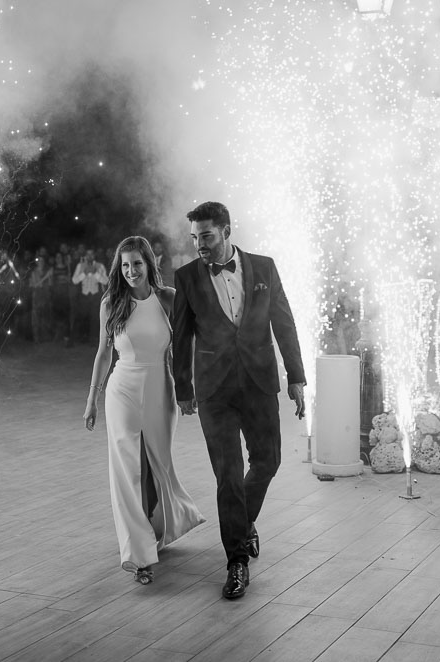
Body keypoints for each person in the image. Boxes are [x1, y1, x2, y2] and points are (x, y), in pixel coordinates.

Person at [172, 201, 306, 600]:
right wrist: (184, 390)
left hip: (260, 382)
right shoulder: (187, 277)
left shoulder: (264, 267)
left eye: (207, 236)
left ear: (227, 231)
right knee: (228, 476)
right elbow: (181, 338)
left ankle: (241, 522)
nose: (200, 245)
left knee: (268, 460)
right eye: (195, 238)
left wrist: (296, 377)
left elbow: (283, 321)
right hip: (214, 391)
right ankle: (236, 562)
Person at [84, 236, 205, 584]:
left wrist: (188, 388)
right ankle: (137, 554)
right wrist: (92, 399)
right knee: (127, 470)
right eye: (124, 265)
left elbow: (186, 349)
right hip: (121, 388)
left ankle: (160, 526)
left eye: (137, 264)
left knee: (157, 464)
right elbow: (103, 354)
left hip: (160, 387)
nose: (131, 271)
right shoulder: (111, 303)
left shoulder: (168, 299)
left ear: (149, 264)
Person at [71, 248, 109, 341]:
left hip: (95, 295)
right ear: (85, 256)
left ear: (94, 255)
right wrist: (84, 273)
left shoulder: (100, 266)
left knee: (95, 317)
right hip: (83, 295)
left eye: (91, 254)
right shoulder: (80, 266)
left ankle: (94, 338)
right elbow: (74, 280)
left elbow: (106, 281)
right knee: (83, 316)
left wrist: (95, 273)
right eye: (88, 254)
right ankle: (82, 337)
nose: (89, 256)